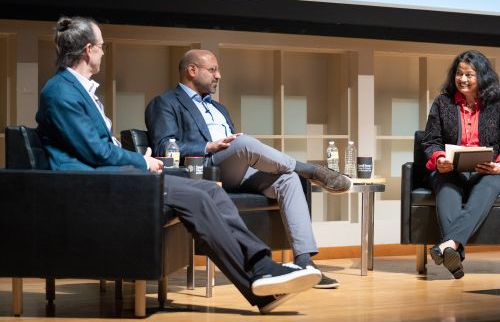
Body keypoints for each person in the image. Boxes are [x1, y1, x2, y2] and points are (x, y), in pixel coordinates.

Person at [35, 16, 322, 314]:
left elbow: (99, 148)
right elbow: (96, 152)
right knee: (198, 196)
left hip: (116, 174)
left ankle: (262, 272)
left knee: (208, 191)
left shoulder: (77, 89)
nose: (104, 53)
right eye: (102, 47)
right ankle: (261, 278)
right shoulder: (61, 91)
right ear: (88, 50)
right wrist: (143, 162)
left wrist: (140, 162)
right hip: (95, 182)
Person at [145, 49, 352, 289]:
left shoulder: (219, 109)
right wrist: (208, 145)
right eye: (212, 70)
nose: (218, 75)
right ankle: (312, 171)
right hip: (204, 169)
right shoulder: (165, 103)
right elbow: (163, 145)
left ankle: (305, 262)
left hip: (235, 170)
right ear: (192, 70)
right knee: (244, 143)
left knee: (288, 178)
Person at [422, 50, 500, 279]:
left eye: (469, 74)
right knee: (446, 189)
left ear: (482, 77)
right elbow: (431, 140)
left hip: (490, 171)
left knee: (487, 186)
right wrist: (439, 159)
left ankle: (446, 246)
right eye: (459, 74)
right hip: (451, 170)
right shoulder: (442, 103)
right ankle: (452, 250)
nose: (463, 79)